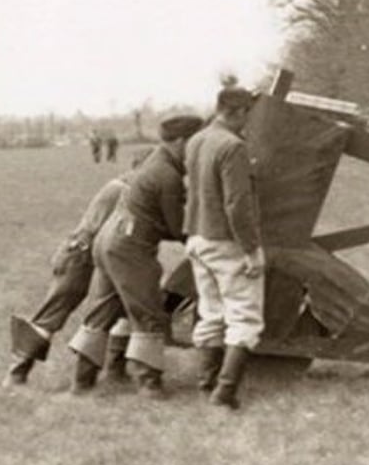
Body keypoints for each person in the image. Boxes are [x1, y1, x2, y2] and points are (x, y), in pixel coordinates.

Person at [67, 115, 204, 398]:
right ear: (180, 142)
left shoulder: (156, 163)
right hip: (130, 247)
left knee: (103, 310)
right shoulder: (168, 175)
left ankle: (82, 382)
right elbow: (176, 227)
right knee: (149, 313)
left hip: (109, 241)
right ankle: (149, 384)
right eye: (194, 142)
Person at [2, 164, 141, 387]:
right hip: (80, 254)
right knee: (52, 315)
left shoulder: (119, 185)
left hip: (87, 251)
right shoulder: (123, 189)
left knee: (120, 307)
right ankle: (16, 372)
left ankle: (116, 369)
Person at [183, 86, 264, 410]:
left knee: (211, 312)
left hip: (197, 237)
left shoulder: (196, 140)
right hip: (225, 241)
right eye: (248, 114)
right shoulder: (232, 146)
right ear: (239, 112)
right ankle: (225, 393)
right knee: (245, 317)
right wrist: (251, 249)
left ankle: (206, 384)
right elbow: (237, 204)